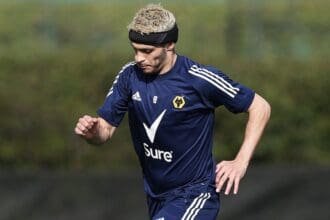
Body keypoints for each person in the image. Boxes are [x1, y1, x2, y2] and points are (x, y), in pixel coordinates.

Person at [74, 4, 271, 220]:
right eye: (135, 49)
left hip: (195, 194)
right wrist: (92, 133)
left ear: (169, 45)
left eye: (147, 51)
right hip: (156, 197)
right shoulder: (130, 76)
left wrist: (241, 161)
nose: (139, 58)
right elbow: (105, 130)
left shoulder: (199, 79)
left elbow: (260, 107)